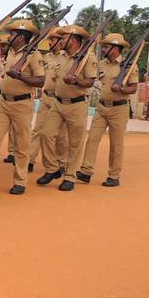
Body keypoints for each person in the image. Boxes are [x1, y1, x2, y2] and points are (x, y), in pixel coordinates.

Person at [0, 20, 45, 195]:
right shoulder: (10, 52)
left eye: (12, 34)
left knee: (21, 144)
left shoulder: (34, 55)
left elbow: (41, 80)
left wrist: (20, 77)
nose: (9, 36)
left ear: (21, 37)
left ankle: (20, 180)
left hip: (22, 104)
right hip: (3, 102)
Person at [37, 24, 98, 191]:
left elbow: (90, 81)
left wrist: (77, 81)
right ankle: (52, 169)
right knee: (46, 134)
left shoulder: (88, 57)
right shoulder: (62, 56)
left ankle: (69, 176)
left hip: (77, 104)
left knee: (75, 143)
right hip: (57, 103)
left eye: (64, 38)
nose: (61, 40)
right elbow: (56, 76)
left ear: (74, 40)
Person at [78, 33, 138, 187]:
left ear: (115, 48)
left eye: (106, 46)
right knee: (92, 138)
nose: (103, 49)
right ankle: (85, 171)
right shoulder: (102, 64)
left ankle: (114, 175)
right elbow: (92, 80)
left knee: (116, 144)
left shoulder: (129, 64)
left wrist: (122, 89)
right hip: (101, 107)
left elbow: (133, 88)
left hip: (119, 109)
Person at [29, 27, 68, 172]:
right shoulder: (47, 57)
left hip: (60, 99)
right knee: (37, 129)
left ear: (60, 41)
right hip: (46, 97)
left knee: (61, 135)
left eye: (52, 40)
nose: (50, 42)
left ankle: (61, 162)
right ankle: (30, 159)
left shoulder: (66, 57)